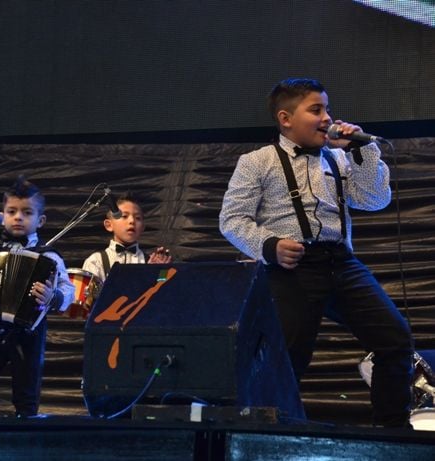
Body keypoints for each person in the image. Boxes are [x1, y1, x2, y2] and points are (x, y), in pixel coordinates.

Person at [219, 78, 414, 428]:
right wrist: (270, 246)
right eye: (316, 110)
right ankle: (275, 434)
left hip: (341, 262)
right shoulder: (257, 161)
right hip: (291, 267)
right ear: (285, 119)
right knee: (287, 356)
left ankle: (393, 431)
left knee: (395, 340)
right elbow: (232, 219)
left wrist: (361, 151)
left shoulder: (339, 158)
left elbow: (374, 199)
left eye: (327, 109)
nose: (327, 118)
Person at [0, 176, 75, 418]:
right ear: (2, 216)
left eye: (27, 212)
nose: (18, 217)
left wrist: (53, 296)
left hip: (29, 335)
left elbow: (68, 290)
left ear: (40, 220)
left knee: (26, 398)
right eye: (12, 211)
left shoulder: (49, 256)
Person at [82, 193, 172, 282]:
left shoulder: (150, 262)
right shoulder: (96, 261)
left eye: (137, 218)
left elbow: (162, 288)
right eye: (124, 216)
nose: (132, 221)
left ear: (142, 228)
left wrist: (162, 271)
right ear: (109, 225)